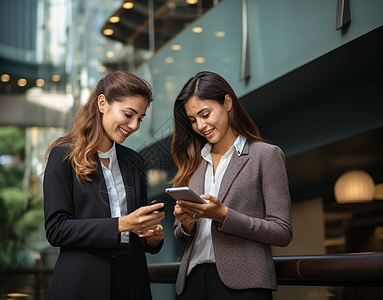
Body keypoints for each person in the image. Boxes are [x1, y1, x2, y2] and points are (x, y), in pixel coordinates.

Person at [43, 71, 165, 300]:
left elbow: (137, 234)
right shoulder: (63, 156)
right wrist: (122, 224)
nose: (134, 125)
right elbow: (56, 230)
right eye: (128, 114)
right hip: (83, 284)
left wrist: (152, 238)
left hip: (132, 283)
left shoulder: (134, 161)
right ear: (102, 103)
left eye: (140, 118)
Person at [171, 71, 293, 300]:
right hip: (191, 284)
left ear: (227, 103)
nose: (200, 125)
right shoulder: (194, 164)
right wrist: (186, 225)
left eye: (205, 114)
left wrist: (224, 215)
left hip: (244, 286)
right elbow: (183, 238)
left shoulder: (265, 156)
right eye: (193, 119)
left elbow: (282, 232)